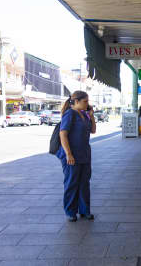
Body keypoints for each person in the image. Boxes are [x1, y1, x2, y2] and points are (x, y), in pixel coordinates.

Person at [57, 91, 96, 222]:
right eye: (85, 102)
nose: (87, 104)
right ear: (77, 101)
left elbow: (93, 130)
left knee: (84, 183)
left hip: (84, 154)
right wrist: (68, 154)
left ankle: (85, 210)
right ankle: (70, 211)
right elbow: (63, 134)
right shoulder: (70, 114)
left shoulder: (84, 114)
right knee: (71, 183)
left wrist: (91, 116)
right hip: (72, 155)